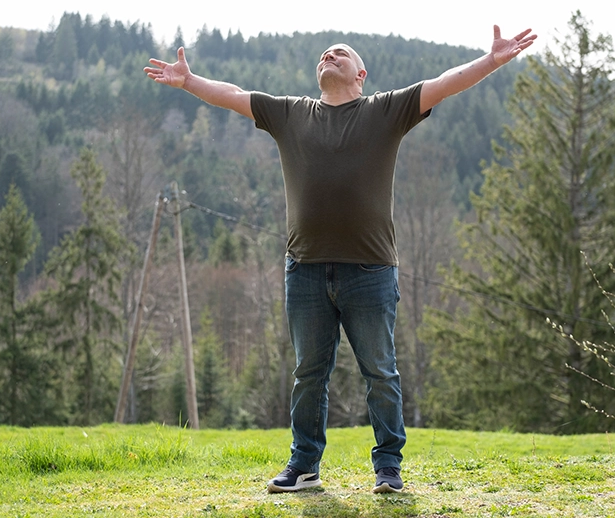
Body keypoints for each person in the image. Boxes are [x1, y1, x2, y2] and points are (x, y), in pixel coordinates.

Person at [145, 25, 536, 494]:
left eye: (342, 52)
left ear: (360, 74)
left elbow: (445, 81)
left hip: (370, 271)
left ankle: (388, 467)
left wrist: (491, 61)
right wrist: (190, 81)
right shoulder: (291, 113)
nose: (330, 54)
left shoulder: (385, 110)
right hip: (304, 269)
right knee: (308, 374)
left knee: (380, 371)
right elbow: (234, 94)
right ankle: (304, 467)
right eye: (325, 53)